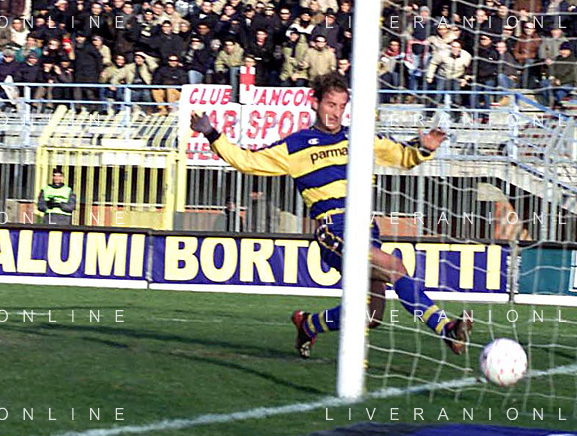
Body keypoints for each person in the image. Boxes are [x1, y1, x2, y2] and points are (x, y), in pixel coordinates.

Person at [189, 72, 471, 358]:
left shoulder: (360, 138)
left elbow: (403, 156)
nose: (336, 112)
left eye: (341, 106)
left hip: (367, 229)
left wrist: (424, 148)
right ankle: (446, 328)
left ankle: (308, 324)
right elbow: (248, 161)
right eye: (330, 104)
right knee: (394, 266)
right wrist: (211, 133)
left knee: (371, 315)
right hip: (334, 229)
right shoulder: (295, 146)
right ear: (315, 103)